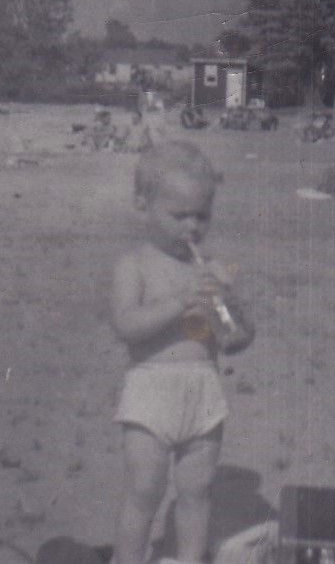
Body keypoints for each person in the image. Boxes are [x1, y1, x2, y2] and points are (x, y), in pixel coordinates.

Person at [111, 142, 237, 564]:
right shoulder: (135, 265)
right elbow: (125, 325)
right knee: (143, 492)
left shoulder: (208, 270)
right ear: (143, 206)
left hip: (202, 391)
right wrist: (180, 301)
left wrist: (228, 304)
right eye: (179, 216)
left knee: (197, 492)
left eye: (202, 216)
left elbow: (237, 337)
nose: (193, 227)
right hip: (151, 392)